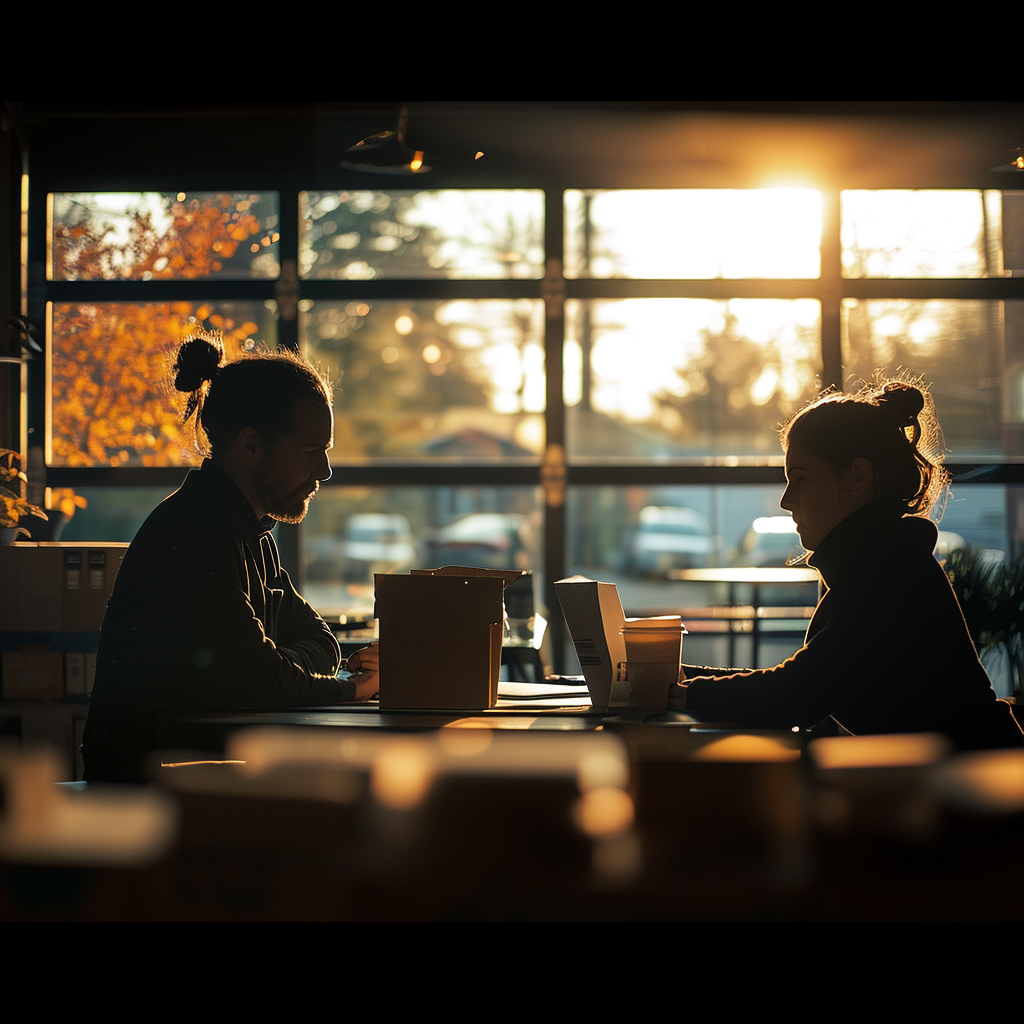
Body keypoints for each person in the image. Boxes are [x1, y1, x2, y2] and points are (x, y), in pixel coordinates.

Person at [82, 331, 378, 782]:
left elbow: (321, 642)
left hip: (201, 773)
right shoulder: (193, 533)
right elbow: (254, 681)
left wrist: (277, 669)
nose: (325, 471)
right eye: (312, 452)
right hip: (149, 792)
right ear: (251, 445)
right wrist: (355, 690)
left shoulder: (251, 533)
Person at [669, 378, 1024, 751]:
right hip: (961, 783)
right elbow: (797, 685)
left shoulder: (889, 574)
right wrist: (676, 681)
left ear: (858, 477)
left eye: (800, 479)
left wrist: (678, 691)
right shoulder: (882, 561)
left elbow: (796, 694)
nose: (787, 500)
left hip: (986, 791)